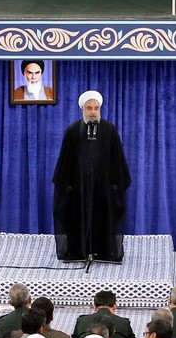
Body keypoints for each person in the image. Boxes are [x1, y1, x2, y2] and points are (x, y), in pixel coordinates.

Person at [52, 91, 131, 263]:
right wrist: (66, 184)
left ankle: (105, 252)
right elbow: (65, 160)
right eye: (89, 108)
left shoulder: (109, 129)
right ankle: (78, 252)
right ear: (83, 109)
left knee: (104, 217)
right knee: (76, 217)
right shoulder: (73, 130)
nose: (93, 112)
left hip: (104, 187)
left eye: (96, 108)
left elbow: (117, 158)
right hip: (78, 187)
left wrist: (116, 183)